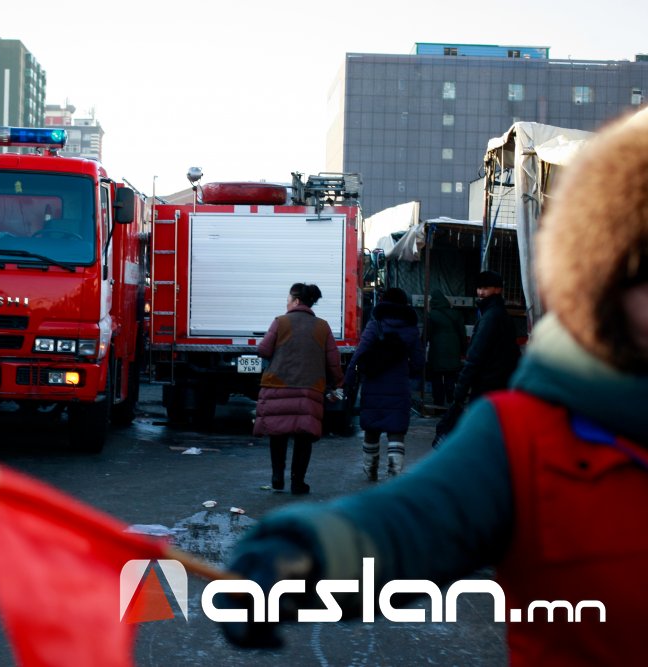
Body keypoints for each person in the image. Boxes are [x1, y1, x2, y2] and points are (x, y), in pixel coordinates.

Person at [221, 113, 648, 663]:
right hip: (384, 393)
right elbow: (411, 527)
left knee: (343, 438)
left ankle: (311, 473)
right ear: (604, 281)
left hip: (359, 391)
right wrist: (308, 556)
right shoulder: (526, 441)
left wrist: (353, 379)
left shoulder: (348, 325)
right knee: (366, 439)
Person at [253, 283, 344, 495]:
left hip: (277, 385)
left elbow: (263, 350)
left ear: (295, 301)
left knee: (278, 433)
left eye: (288, 298)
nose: (286, 302)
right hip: (309, 388)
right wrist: (338, 383)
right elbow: (333, 361)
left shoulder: (280, 322)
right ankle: (298, 482)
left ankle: (277, 477)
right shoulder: (322, 326)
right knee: (304, 436)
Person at [343, 287, 425, 480]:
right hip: (399, 385)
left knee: (372, 428)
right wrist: (407, 372)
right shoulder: (411, 329)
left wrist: (349, 378)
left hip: (374, 384)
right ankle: (394, 473)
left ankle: (370, 470)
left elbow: (360, 353)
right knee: (396, 429)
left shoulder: (375, 324)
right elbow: (419, 361)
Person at [452, 270, 520, 405]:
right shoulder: (497, 313)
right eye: (479, 288)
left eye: (485, 288)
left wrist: (461, 389)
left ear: (497, 289)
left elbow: (475, 355)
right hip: (499, 383)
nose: (480, 292)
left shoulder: (491, 316)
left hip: (488, 385)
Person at [426, 288, 467, 406]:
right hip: (453, 351)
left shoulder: (431, 315)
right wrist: (464, 350)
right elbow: (462, 334)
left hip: (436, 352)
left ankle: (438, 401)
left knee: (436, 378)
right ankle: (451, 400)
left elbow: (426, 335)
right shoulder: (456, 314)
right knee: (451, 376)